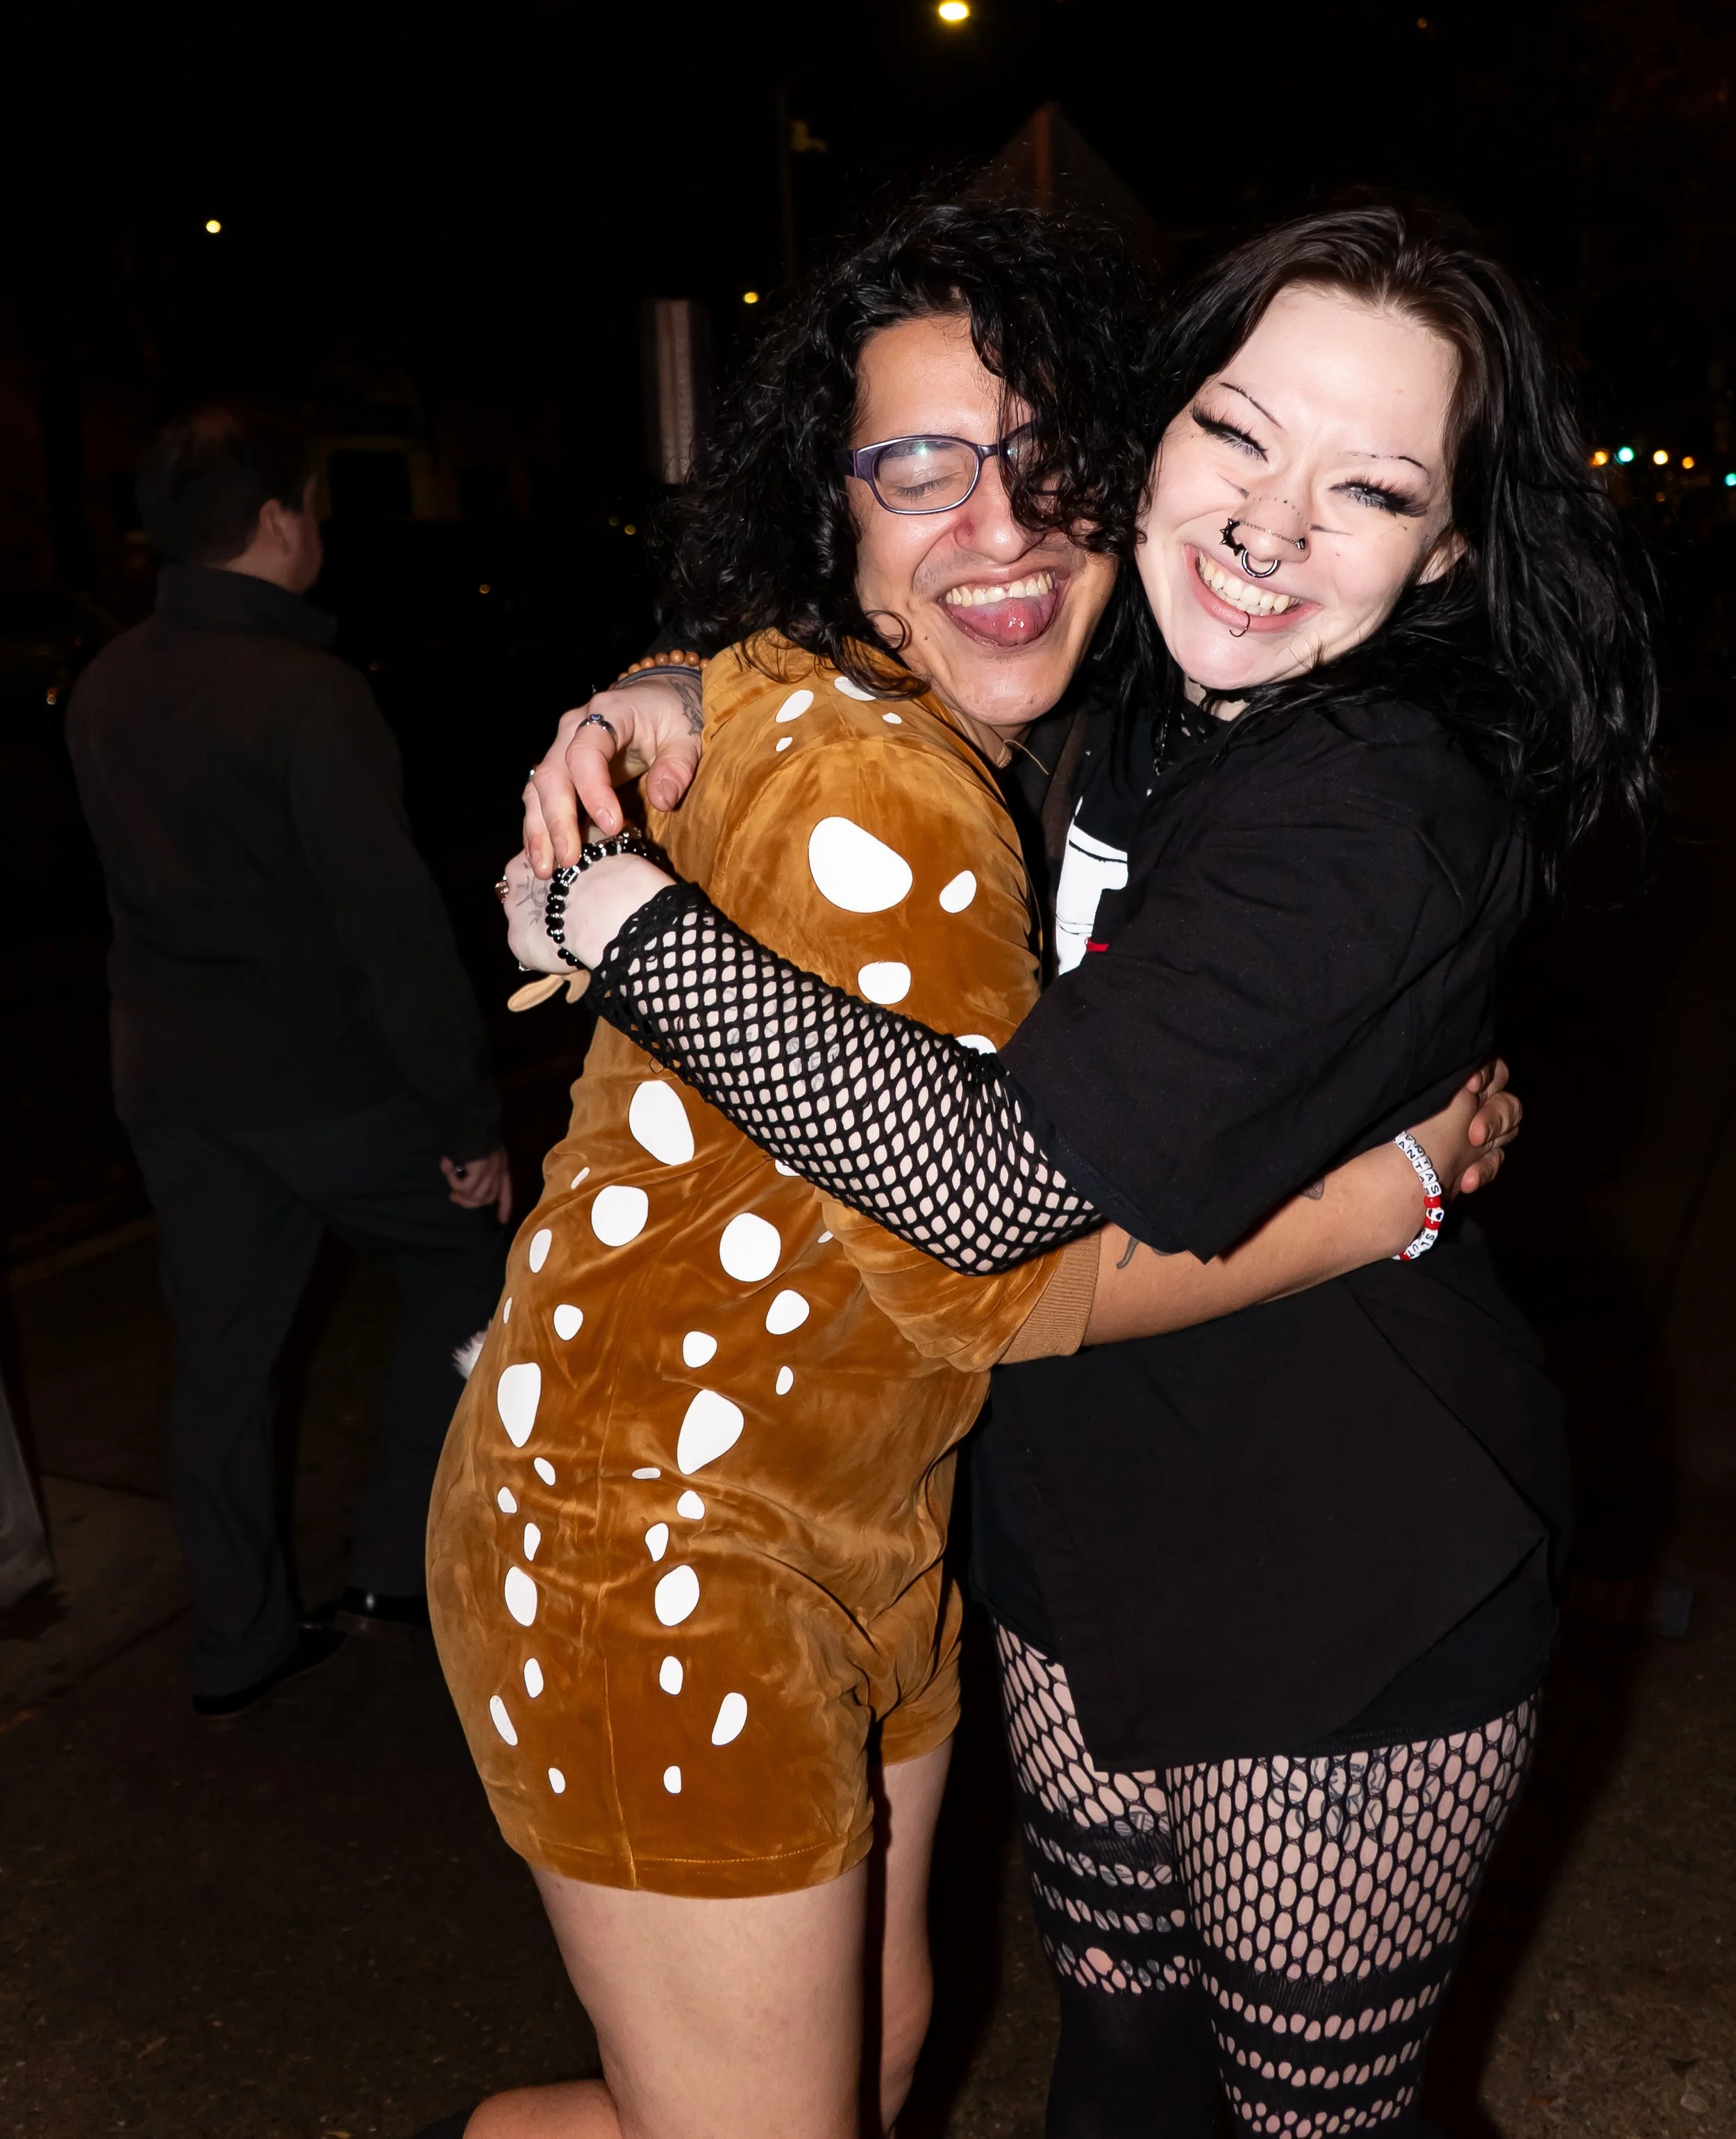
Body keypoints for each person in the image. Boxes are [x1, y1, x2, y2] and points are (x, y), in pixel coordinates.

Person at [519, 201, 1653, 2138]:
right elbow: (858, 619)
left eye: (1369, 486)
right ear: (1156, 433)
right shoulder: (1124, 674)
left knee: (1308, 2123)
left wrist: (613, 909)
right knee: (1116, 2071)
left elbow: (976, 1188)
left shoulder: (1370, 802)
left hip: (1332, 1586)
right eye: (1235, 433)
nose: (1268, 525)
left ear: (1447, 543)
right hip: (1073, 1544)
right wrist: (661, 692)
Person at [67, 401, 512, 1721]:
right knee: (468, 1264)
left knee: (220, 1358)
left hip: (176, 1091)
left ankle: (240, 1641)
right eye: (310, 507)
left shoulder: (105, 684)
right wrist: (466, 1115)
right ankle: (395, 1569)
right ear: (274, 522)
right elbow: (395, 936)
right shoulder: (312, 699)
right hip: (331, 1086)